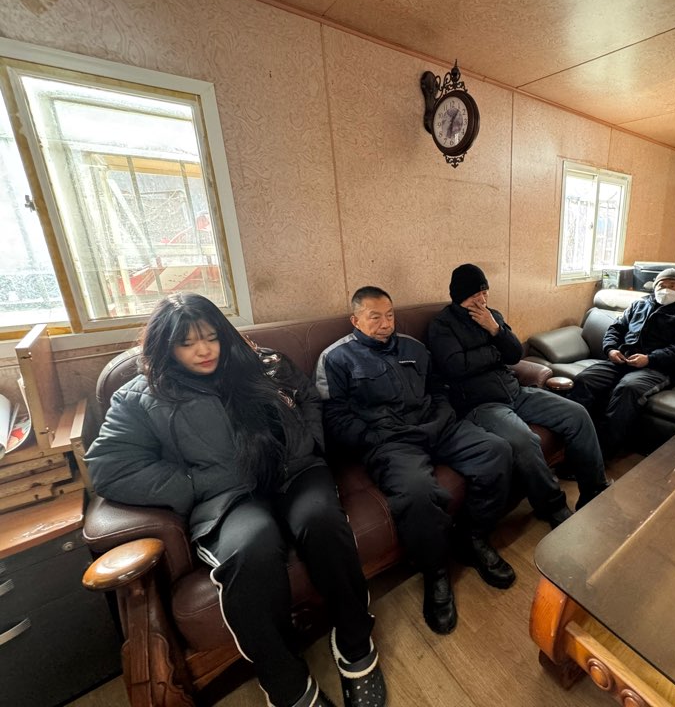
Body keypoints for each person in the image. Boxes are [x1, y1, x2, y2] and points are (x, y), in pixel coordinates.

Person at [86, 293, 385, 707]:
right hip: (228, 497)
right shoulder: (141, 396)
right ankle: (286, 684)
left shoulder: (265, 363)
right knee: (251, 548)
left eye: (211, 337)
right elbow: (111, 468)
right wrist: (196, 482)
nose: (204, 350)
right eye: (187, 343)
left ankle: (355, 643)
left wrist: (311, 441)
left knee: (323, 523)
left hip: (297, 472)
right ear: (165, 347)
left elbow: (308, 396)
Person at [316, 286, 514, 636]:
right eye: (375, 317)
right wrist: (373, 438)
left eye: (389, 315)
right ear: (355, 320)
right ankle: (436, 573)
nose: (385, 323)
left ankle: (473, 537)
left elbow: (438, 390)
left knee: (496, 451)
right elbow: (334, 418)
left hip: (437, 427)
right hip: (390, 443)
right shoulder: (336, 358)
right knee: (418, 491)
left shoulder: (414, 347)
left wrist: (441, 417)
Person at [428, 264, 610, 527]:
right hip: (483, 405)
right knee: (524, 440)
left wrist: (496, 330)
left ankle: (594, 488)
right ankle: (552, 505)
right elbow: (456, 366)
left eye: (485, 293)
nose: (482, 300)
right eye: (475, 296)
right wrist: (494, 352)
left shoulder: (493, 316)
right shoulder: (442, 325)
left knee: (577, 414)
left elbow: (513, 354)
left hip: (516, 391)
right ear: (460, 297)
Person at [568, 267, 675, 455]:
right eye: (662, 285)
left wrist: (650, 359)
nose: (666, 290)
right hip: (623, 360)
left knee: (627, 389)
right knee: (585, 379)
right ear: (654, 287)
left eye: (673, 286)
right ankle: (571, 434)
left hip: (656, 368)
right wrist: (611, 349)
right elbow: (615, 329)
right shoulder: (638, 305)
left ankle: (602, 451)